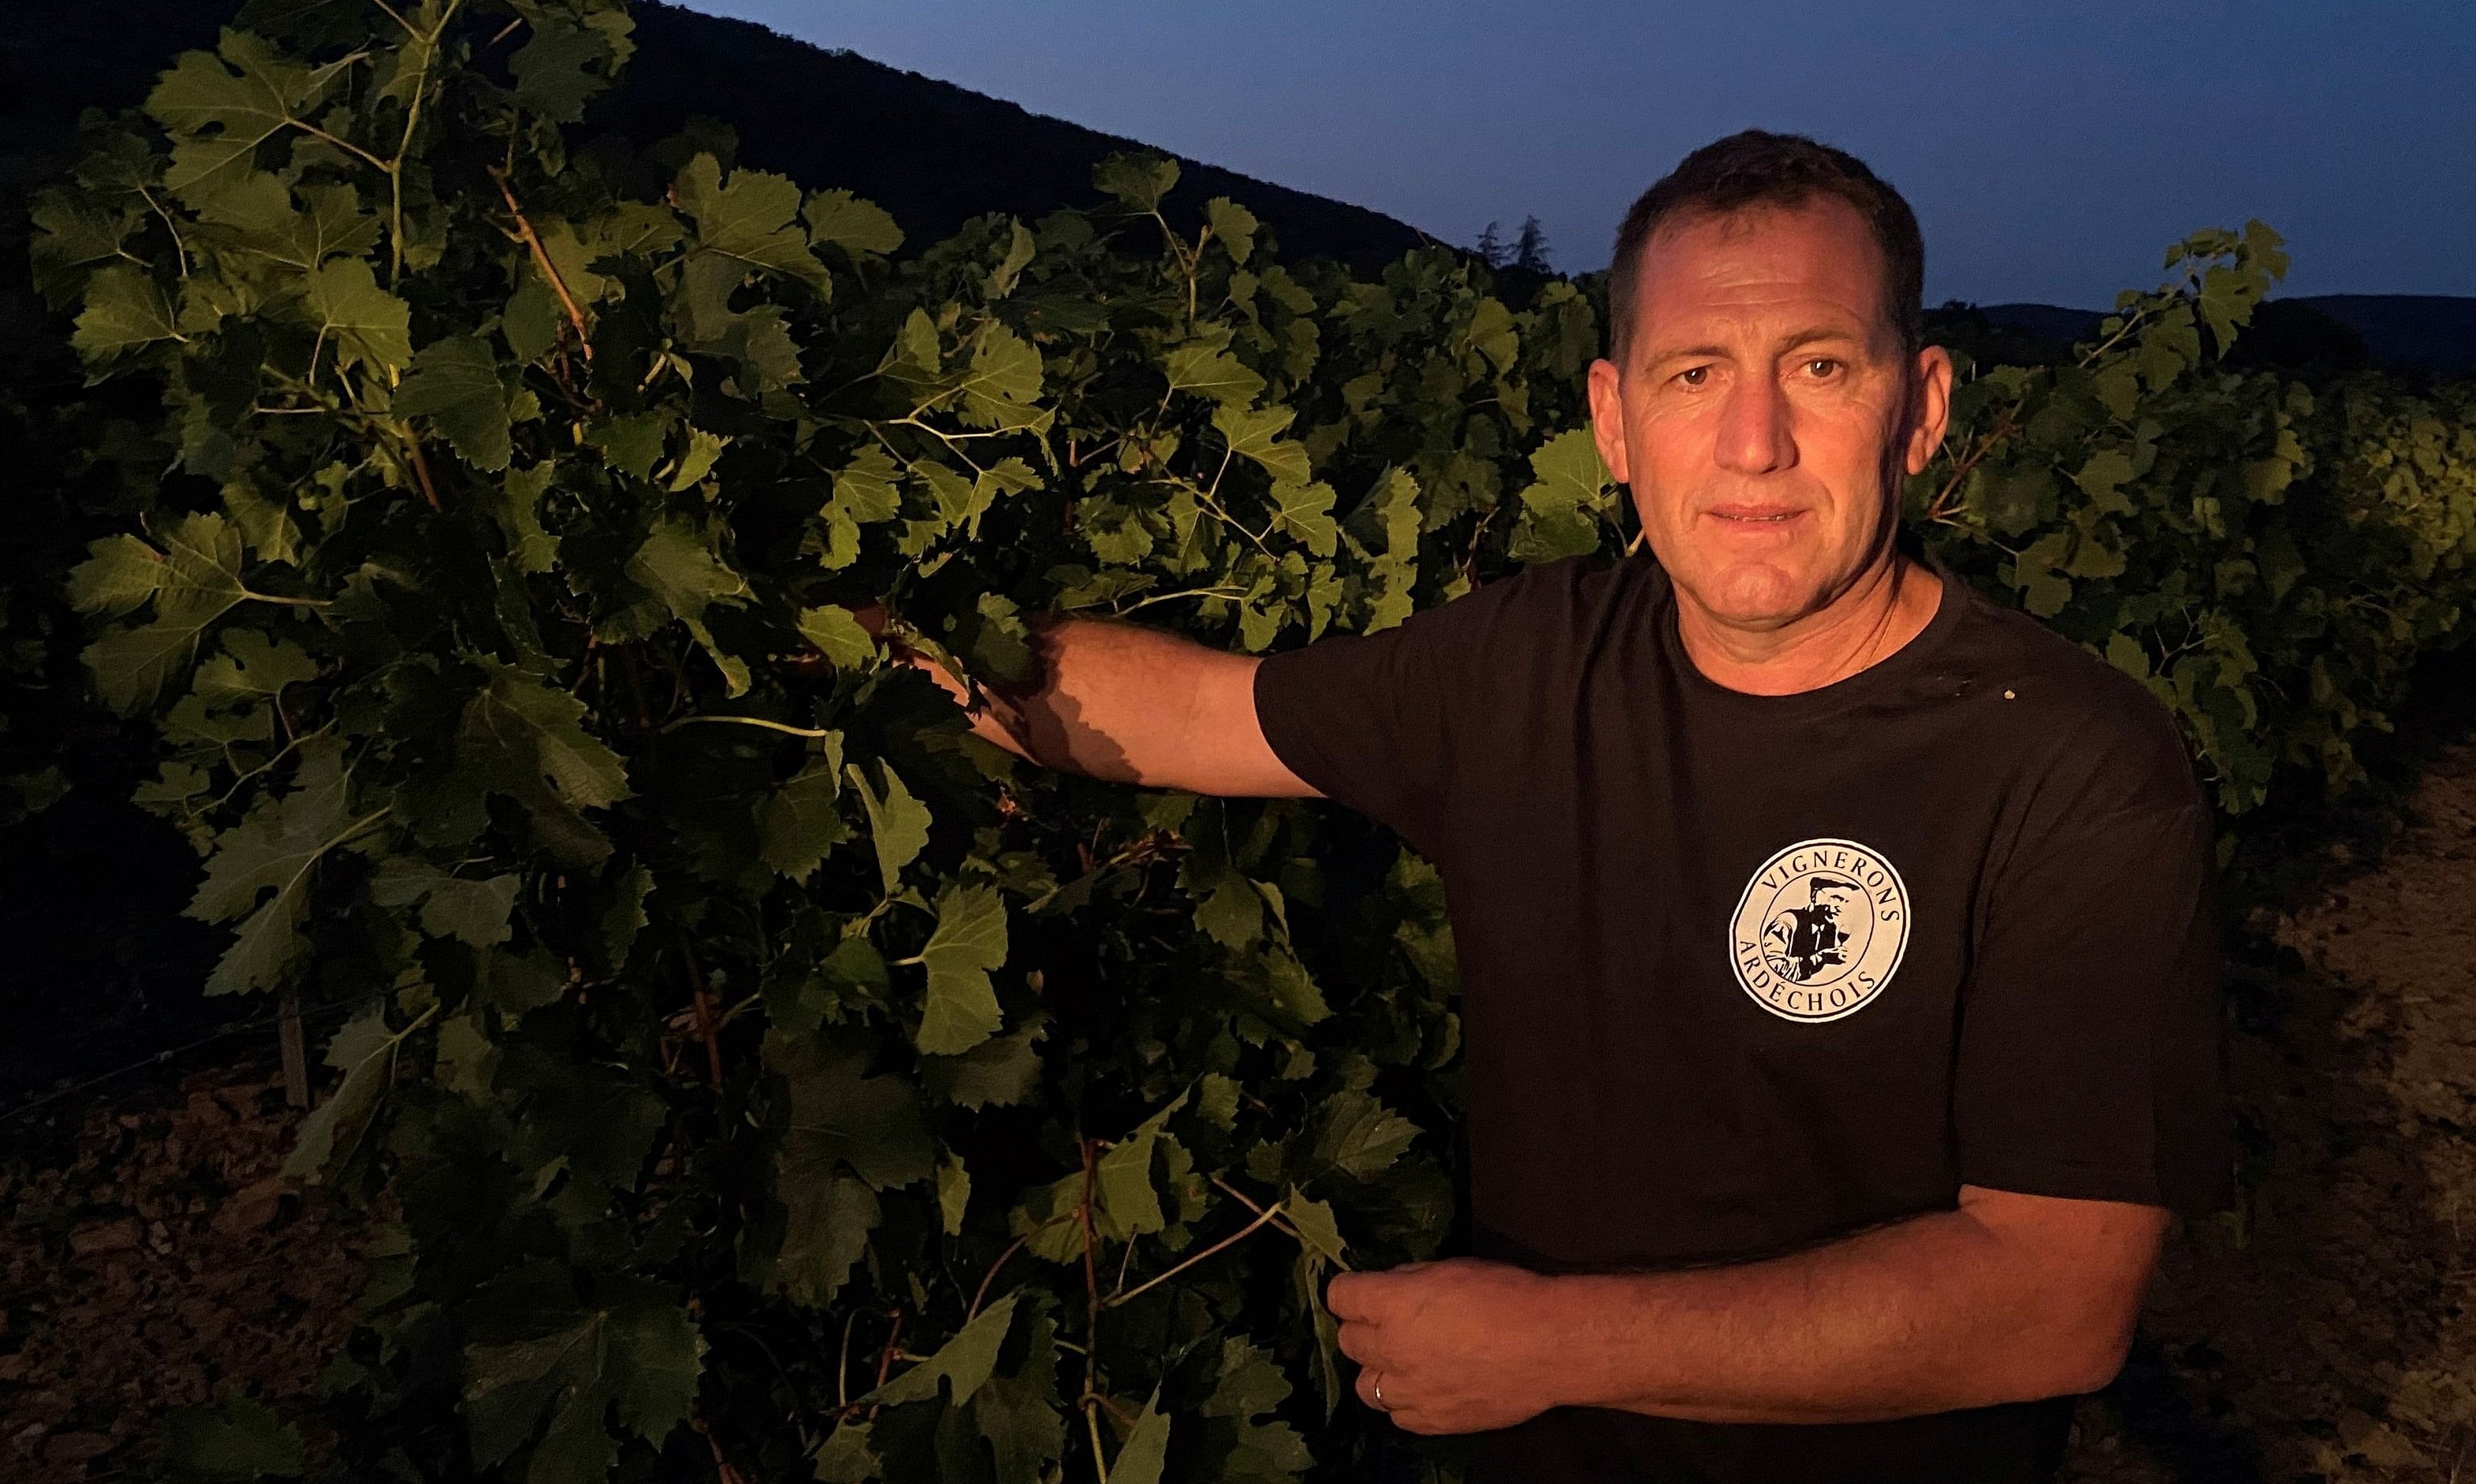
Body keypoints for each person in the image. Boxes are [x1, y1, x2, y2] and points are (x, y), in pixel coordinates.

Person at [931, 130, 2228, 1482]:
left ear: (1924, 408)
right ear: (1615, 422)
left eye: (1821, 367)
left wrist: (1551, 1345)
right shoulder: (1523, 668)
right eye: (1695, 374)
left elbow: (2055, 1300)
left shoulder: (2074, 766)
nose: (1754, 442)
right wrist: (893, 642)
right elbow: (1192, 711)